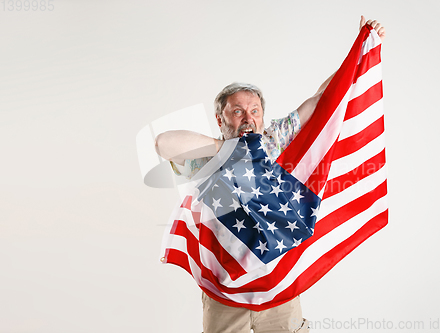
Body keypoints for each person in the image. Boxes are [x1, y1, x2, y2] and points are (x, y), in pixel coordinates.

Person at [155, 16, 385, 333]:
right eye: (236, 111)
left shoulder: (277, 137)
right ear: (220, 119)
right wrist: (229, 149)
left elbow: (324, 100)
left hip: (278, 290)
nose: (247, 118)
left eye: (254, 111)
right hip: (226, 293)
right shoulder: (206, 155)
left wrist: (360, 51)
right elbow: (163, 143)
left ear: (263, 115)